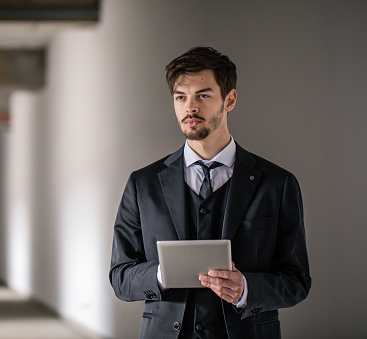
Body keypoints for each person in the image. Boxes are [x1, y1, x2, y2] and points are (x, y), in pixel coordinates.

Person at [109, 47, 311, 339]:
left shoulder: (277, 184)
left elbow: (297, 281)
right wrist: (162, 274)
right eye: (181, 97)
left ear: (229, 100)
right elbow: (120, 278)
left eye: (203, 95)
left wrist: (247, 288)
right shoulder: (143, 185)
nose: (190, 107)